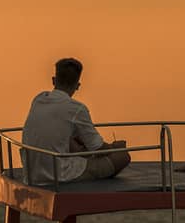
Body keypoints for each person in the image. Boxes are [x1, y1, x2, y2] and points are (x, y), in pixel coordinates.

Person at [22, 57, 130, 185]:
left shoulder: (39, 99)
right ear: (77, 86)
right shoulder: (77, 109)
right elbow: (98, 148)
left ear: (54, 80)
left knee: (75, 141)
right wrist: (115, 148)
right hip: (57, 174)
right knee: (122, 157)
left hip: (31, 173)